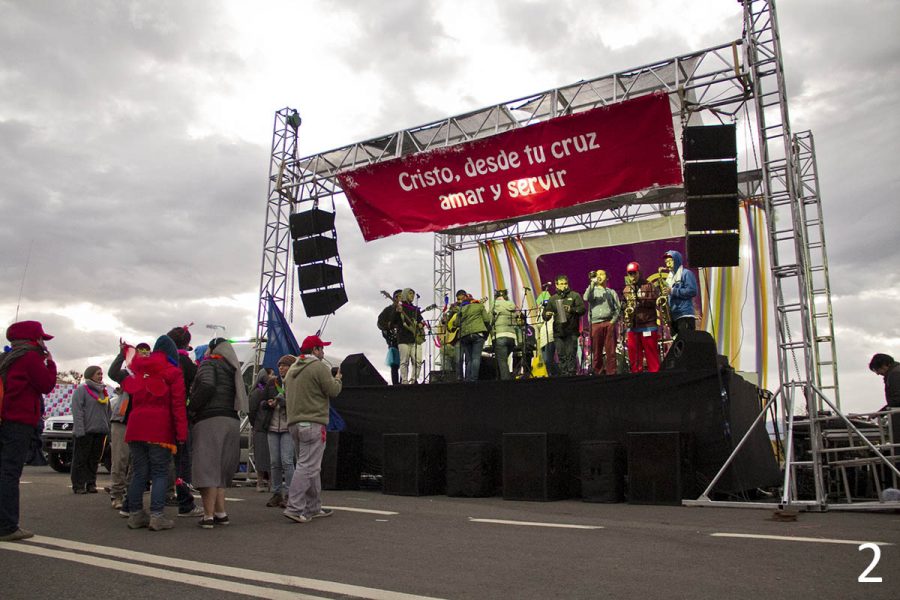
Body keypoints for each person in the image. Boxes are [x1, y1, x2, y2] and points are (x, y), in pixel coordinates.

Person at [122, 335, 188, 531]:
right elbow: (178, 405)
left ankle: (135, 515)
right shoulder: (173, 373)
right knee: (160, 472)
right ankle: (157, 516)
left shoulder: (140, 369)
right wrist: (181, 434)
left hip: (135, 427)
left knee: (139, 472)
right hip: (159, 428)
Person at [0, 321, 56, 541]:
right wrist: (50, 364)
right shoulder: (30, 358)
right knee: (10, 472)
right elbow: (47, 385)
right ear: (35, 338)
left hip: (4, 419)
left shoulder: (7, 357)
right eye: (42, 338)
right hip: (19, 421)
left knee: (3, 470)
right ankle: (7, 525)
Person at [282, 335, 342, 523]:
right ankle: (294, 507)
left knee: (309, 465)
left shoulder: (292, 369)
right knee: (308, 466)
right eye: (321, 349)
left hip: (294, 423)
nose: (323, 352)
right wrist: (338, 379)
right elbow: (333, 391)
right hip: (313, 422)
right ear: (315, 350)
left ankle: (313, 506)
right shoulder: (318, 367)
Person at [189, 338, 246, 529]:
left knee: (207, 468)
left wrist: (192, 407)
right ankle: (221, 513)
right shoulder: (232, 368)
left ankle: (207, 516)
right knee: (220, 470)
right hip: (231, 419)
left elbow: (206, 385)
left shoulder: (209, 363)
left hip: (210, 419)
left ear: (212, 349)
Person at [107, 341, 150, 514]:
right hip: (122, 420)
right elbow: (112, 373)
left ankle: (129, 497)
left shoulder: (150, 373)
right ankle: (116, 495)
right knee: (120, 459)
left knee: (136, 462)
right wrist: (121, 354)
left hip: (141, 422)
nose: (144, 354)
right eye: (141, 351)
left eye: (148, 352)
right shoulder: (127, 373)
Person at [166, 326, 202, 518]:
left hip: (160, 417)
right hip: (181, 417)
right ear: (187, 344)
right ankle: (185, 503)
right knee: (183, 461)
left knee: (155, 461)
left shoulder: (162, 362)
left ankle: (133, 504)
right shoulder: (188, 365)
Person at [261, 355, 295, 508]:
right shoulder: (271, 382)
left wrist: (284, 403)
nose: (281, 367)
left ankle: (290, 494)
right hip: (273, 426)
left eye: (285, 365)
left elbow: (297, 403)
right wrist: (268, 403)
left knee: (287, 461)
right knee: (274, 462)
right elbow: (261, 401)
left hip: (288, 426)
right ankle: (276, 493)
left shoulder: (295, 383)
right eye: (280, 365)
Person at [70, 366, 111, 494]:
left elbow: (108, 412)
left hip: (100, 431)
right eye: (98, 374)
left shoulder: (103, 392)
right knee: (81, 459)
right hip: (85, 431)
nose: (100, 376)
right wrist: (80, 430)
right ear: (90, 375)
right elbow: (77, 411)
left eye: (101, 374)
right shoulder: (81, 390)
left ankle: (91, 483)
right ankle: (78, 485)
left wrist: (108, 429)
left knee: (94, 459)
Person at [542, 275, 586, 376]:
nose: (564, 286)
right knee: (561, 355)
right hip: (558, 332)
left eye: (565, 283)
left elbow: (582, 310)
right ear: (556, 285)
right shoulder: (553, 299)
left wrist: (571, 309)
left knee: (571, 354)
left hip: (571, 331)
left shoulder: (574, 295)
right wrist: (547, 315)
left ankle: (572, 375)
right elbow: (545, 315)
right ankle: (564, 376)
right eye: (561, 284)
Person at [622, 262, 661, 373]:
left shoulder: (648, 286)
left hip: (648, 326)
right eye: (630, 274)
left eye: (634, 273)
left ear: (639, 272)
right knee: (635, 359)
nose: (632, 276)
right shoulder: (626, 290)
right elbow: (624, 306)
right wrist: (625, 308)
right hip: (633, 327)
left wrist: (639, 300)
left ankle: (655, 379)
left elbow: (654, 302)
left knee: (652, 358)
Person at [583, 269, 621, 375]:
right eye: (597, 274)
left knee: (611, 351)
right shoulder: (592, 290)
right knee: (596, 352)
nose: (599, 276)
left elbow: (618, 308)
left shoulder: (611, 292)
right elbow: (585, 297)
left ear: (606, 277)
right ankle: (598, 373)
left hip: (609, 323)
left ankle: (611, 373)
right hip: (595, 324)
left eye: (601, 274)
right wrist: (592, 282)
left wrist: (612, 322)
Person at [449, 290, 491, 382]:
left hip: (465, 336)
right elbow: (487, 320)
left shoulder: (462, 309)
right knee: (476, 358)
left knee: (469, 359)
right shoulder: (479, 306)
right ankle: (473, 379)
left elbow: (456, 323)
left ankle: (467, 380)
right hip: (477, 334)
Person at [392, 288, 426, 384]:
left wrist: (421, 324)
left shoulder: (415, 309)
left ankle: (413, 380)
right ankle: (405, 381)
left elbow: (422, 321)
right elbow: (393, 321)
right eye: (410, 293)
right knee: (404, 361)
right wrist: (397, 312)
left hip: (415, 338)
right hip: (403, 338)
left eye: (413, 294)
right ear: (405, 294)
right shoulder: (399, 307)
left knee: (418, 361)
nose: (412, 296)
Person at [663, 250, 698, 337]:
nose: (667, 264)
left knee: (687, 343)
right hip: (674, 316)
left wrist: (672, 291)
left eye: (670, 262)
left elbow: (692, 291)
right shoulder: (669, 278)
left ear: (677, 260)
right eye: (666, 262)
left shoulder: (686, 273)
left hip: (684, 314)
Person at [248, 368, 273, 494]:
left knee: (267, 456)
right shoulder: (259, 391)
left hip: (265, 426)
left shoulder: (268, 390)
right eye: (271, 374)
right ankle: (260, 481)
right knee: (262, 455)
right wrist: (256, 423)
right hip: (261, 427)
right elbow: (251, 411)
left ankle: (269, 482)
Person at [869, 353, 900, 444]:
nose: (878, 373)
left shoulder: (895, 374)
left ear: (885, 365)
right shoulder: (896, 371)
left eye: (877, 370)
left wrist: (880, 413)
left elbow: (897, 400)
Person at [490, 289, 518, 380]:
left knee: (502, 361)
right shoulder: (511, 305)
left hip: (499, 335)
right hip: (512, 336)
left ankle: (506, 383)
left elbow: (490, 320)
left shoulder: (494, 304)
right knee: (503, 360)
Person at [377, 289, 402, 385]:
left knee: (404, 363)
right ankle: (395, 384)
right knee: (395, 364)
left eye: (401, 296)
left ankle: (403, 382)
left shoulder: (405, 309)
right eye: (397, 296)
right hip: (393, 340)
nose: (399, 298)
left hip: (404, 338)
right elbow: (379, 323)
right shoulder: (387, 310)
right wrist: (389, 326)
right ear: (394, 298)